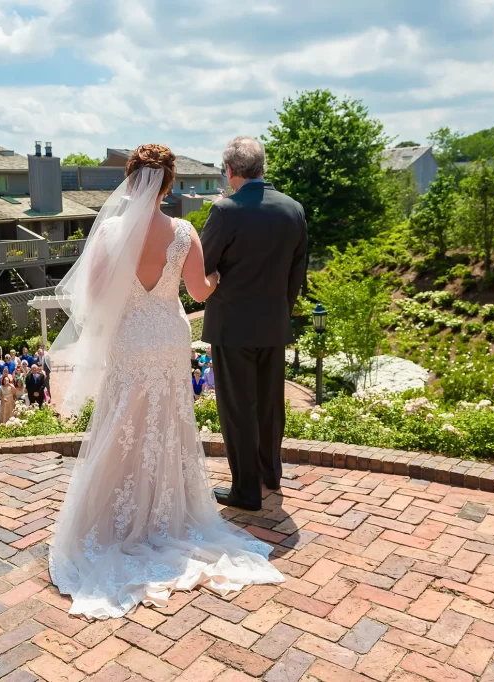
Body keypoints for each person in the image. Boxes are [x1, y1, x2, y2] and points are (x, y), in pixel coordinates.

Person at [47, 145, 283, 619]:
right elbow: (199, 291)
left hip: (130, 340)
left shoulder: (111, 232)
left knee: (122, 424)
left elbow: (92, 298)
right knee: (169, 426)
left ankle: (116, 516)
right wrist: (217, 275)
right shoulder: (183, 231)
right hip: (169, 338)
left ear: (131, 181)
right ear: (170, 184)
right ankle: (165, 513)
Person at [201, 136, 308, 511]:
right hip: (273, 324)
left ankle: (245, 491)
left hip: (232, 327)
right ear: (262, 166)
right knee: (269, 405)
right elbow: (298, 271)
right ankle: (270, 474)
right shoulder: (293, 209)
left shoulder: (225, 211)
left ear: (229, 170)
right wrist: (281, 309)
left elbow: (204, 266)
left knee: (237, 409)